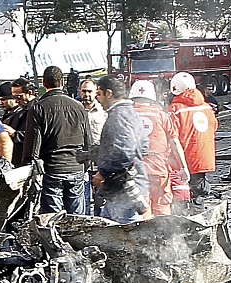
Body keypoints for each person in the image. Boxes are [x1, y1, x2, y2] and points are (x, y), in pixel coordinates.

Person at [24, 65, 92, 214]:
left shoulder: (38, 108)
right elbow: (88, 141)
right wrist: (85, 167)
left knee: (52, 221)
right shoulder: (79, 107)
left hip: (52, 170)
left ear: (44, 83)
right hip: (76, 168)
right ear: (62, 82)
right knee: (77, 221)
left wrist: (29, 168)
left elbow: (32, 147)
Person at [92, 75, 149, 223]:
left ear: (109, 93)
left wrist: (102, 172)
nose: (97, 98)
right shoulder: (131, 113)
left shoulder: (118, 116)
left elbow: (123, 152)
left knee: (128, 233)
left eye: (99, 93)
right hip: (126, 187)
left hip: (122, 189)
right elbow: (144, 146)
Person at [130, 80, 188, 217]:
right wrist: (183, 167)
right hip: (159, 168)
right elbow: (174, 142)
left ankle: (144, 235)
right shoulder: (161, 115)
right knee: (162, 205)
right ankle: (165, 235)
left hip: (135, 169)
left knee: (141, 206)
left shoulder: (127, 115)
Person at [168, 72, 218, 210]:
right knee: (198, 196)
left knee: (182, 197)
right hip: (204, 158)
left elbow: (171, 136)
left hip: (185, 159)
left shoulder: (176, 109)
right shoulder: (207, 107)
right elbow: (214, 127)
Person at [79, 78, 107, 214]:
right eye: (84, 91)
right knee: (84, 202)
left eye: (89, 91)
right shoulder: (76, 110)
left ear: (96, 91)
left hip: (99, 163)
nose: (87, 94)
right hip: (82, 164)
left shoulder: (103, 111)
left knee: (100, 202)